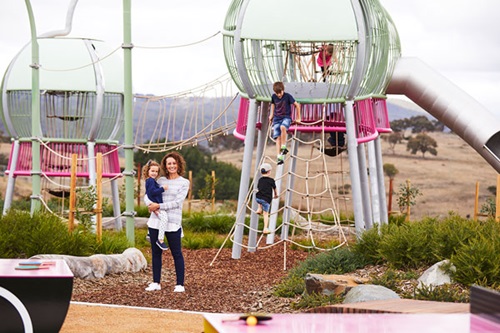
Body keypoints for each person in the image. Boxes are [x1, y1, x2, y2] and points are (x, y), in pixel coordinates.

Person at [144, 152, 190, 293]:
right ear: (165, 165)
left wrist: (159, 206)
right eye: (169, 163)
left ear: (179, 165)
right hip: (156, 221)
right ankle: (156, 282)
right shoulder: (160, 181)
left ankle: (180, 284)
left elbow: (177, 203)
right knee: (156, 253)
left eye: (174, 163)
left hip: (173, 222)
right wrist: (150, 204)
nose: (171, 166)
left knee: (177, 253)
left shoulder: (184, 182)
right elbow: (148, 194)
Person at [269, 81, 301, 165]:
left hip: (286, 117)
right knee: (277, 138)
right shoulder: (273, 97)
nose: (279, 95)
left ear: (283, 90)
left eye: (280, 93)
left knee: (283, 127)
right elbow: (272, 104)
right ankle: (279, 157)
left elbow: (297, 105)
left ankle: (283, 147)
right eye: (277, 93)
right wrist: (271, 115)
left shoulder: (287, 96)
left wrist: (298, 118)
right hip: (276, 118)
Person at [143, 160, 169, 251]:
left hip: (152, 201)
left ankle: (149, 233)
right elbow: (152, 192)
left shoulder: (152, 181)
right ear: (148, 171)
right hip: (153, 201)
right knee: (164, 217)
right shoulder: (150, 181)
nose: (154, 173)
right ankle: (160, 239)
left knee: (157, 216)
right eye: (152, 171)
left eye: (156, 171)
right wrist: (162, 189)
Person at [255, 163, 278, 234]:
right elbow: (275, 188)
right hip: (266, 200)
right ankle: (265, 228)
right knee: (265, 214)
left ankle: (259, 209)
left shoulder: (260, 180)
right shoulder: (271, 180)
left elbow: (259, 188)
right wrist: (276, 195)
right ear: (269, 172)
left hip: (258, 198)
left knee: (260, 198)